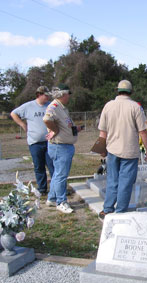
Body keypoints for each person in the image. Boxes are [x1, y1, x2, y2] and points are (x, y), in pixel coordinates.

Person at [97, 80, 147, 219]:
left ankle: (107, 209)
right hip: (130, 151)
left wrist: (102, 150)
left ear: (118, 90)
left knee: (112, 180)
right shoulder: (136, 107)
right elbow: (143, 131)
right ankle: (120, 212)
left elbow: (103, 132)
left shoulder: (108, 106)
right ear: (131, 92)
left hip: (112, 149)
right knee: (125, 183)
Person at [43, 84, 83, 214]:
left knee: (57, 174)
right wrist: (55, 130)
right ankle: (61, 202)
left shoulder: (62, 108)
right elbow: (47, 119)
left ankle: (52, 198)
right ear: (62, 94)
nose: (69, 97)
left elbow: (64, 124)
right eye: (68, 94)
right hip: (60, 146)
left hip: (64, 145)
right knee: (61, 175)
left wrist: (75, 129)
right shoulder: (54, 107)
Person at [10, 86, 54, 195]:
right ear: (39, 95)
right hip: (35, 143)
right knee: (39, 166)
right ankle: (42, 189)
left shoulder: (50, 106)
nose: (47, 97)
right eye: (45, 95)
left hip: (50, 142)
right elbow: (13, 113)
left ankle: (56, 189)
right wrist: (22, 124)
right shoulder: (28, 106)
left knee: (53, 166)